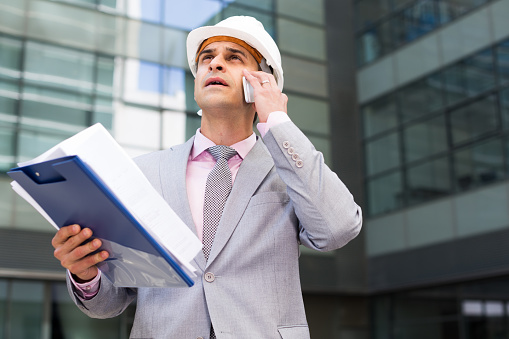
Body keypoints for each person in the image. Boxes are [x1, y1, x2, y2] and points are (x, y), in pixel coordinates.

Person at [51, 16, 362, 339]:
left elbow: (338, 228)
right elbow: (110, 302)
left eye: (233, 57)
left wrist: (278, 122)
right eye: (206, 58)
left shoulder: (290, 170)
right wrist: (85, 273)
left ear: (262, 81)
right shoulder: (143, 173)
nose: (215, 64)